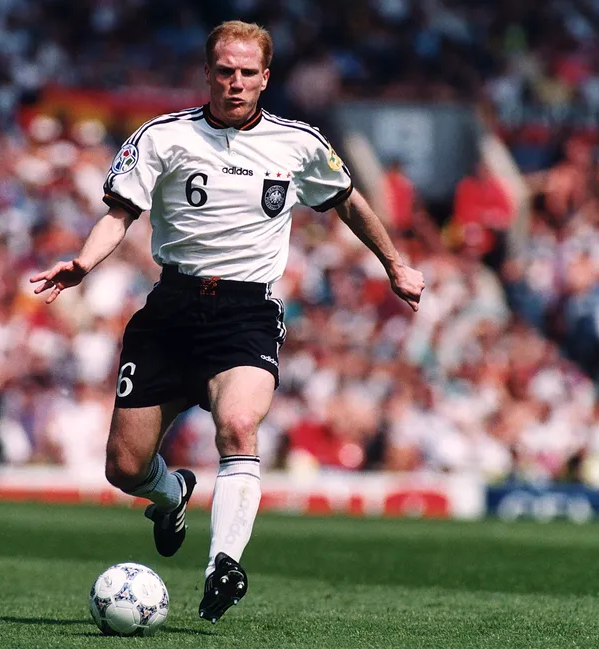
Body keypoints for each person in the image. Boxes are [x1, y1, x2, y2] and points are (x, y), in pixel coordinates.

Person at [30, 20, 424, 623]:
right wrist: (83, 263)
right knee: (125, 468)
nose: (235, 82)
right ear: (207, 74)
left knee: (239, 426)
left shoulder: (299, 143)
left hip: (246, 312)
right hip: (171, 310)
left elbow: (347, 200)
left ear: (265, 77)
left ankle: (224, 563)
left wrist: (394, 263)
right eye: (224, 71)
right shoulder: (162, 137)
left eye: (246, 73)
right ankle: (172, 495)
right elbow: (120, 213)